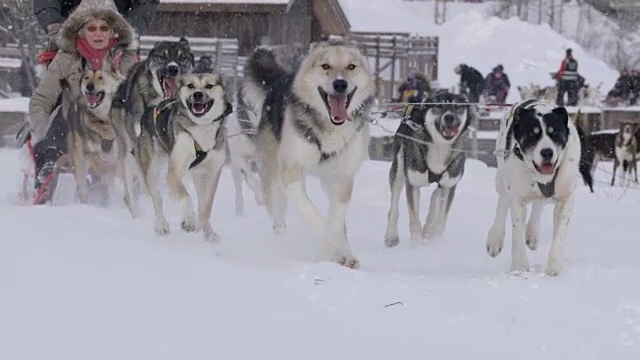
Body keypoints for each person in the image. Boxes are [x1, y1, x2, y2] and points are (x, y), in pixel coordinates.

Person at [28, 0, 140, 203]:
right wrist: (41, 129)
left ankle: (137, 190)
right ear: (81, 31)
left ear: (113, 32)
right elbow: (42, 99)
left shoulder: (126, 61)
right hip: (72, 122)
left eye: (104, 28)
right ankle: (47, 177)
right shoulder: (66, 59)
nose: (98, 34)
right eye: (92, 28)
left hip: (112, 126)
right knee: (61, 128)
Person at [33, 0, 158, 58]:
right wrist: (53, 25)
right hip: (71, 43)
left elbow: (146, 4)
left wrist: (127, 30)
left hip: (119, 47)